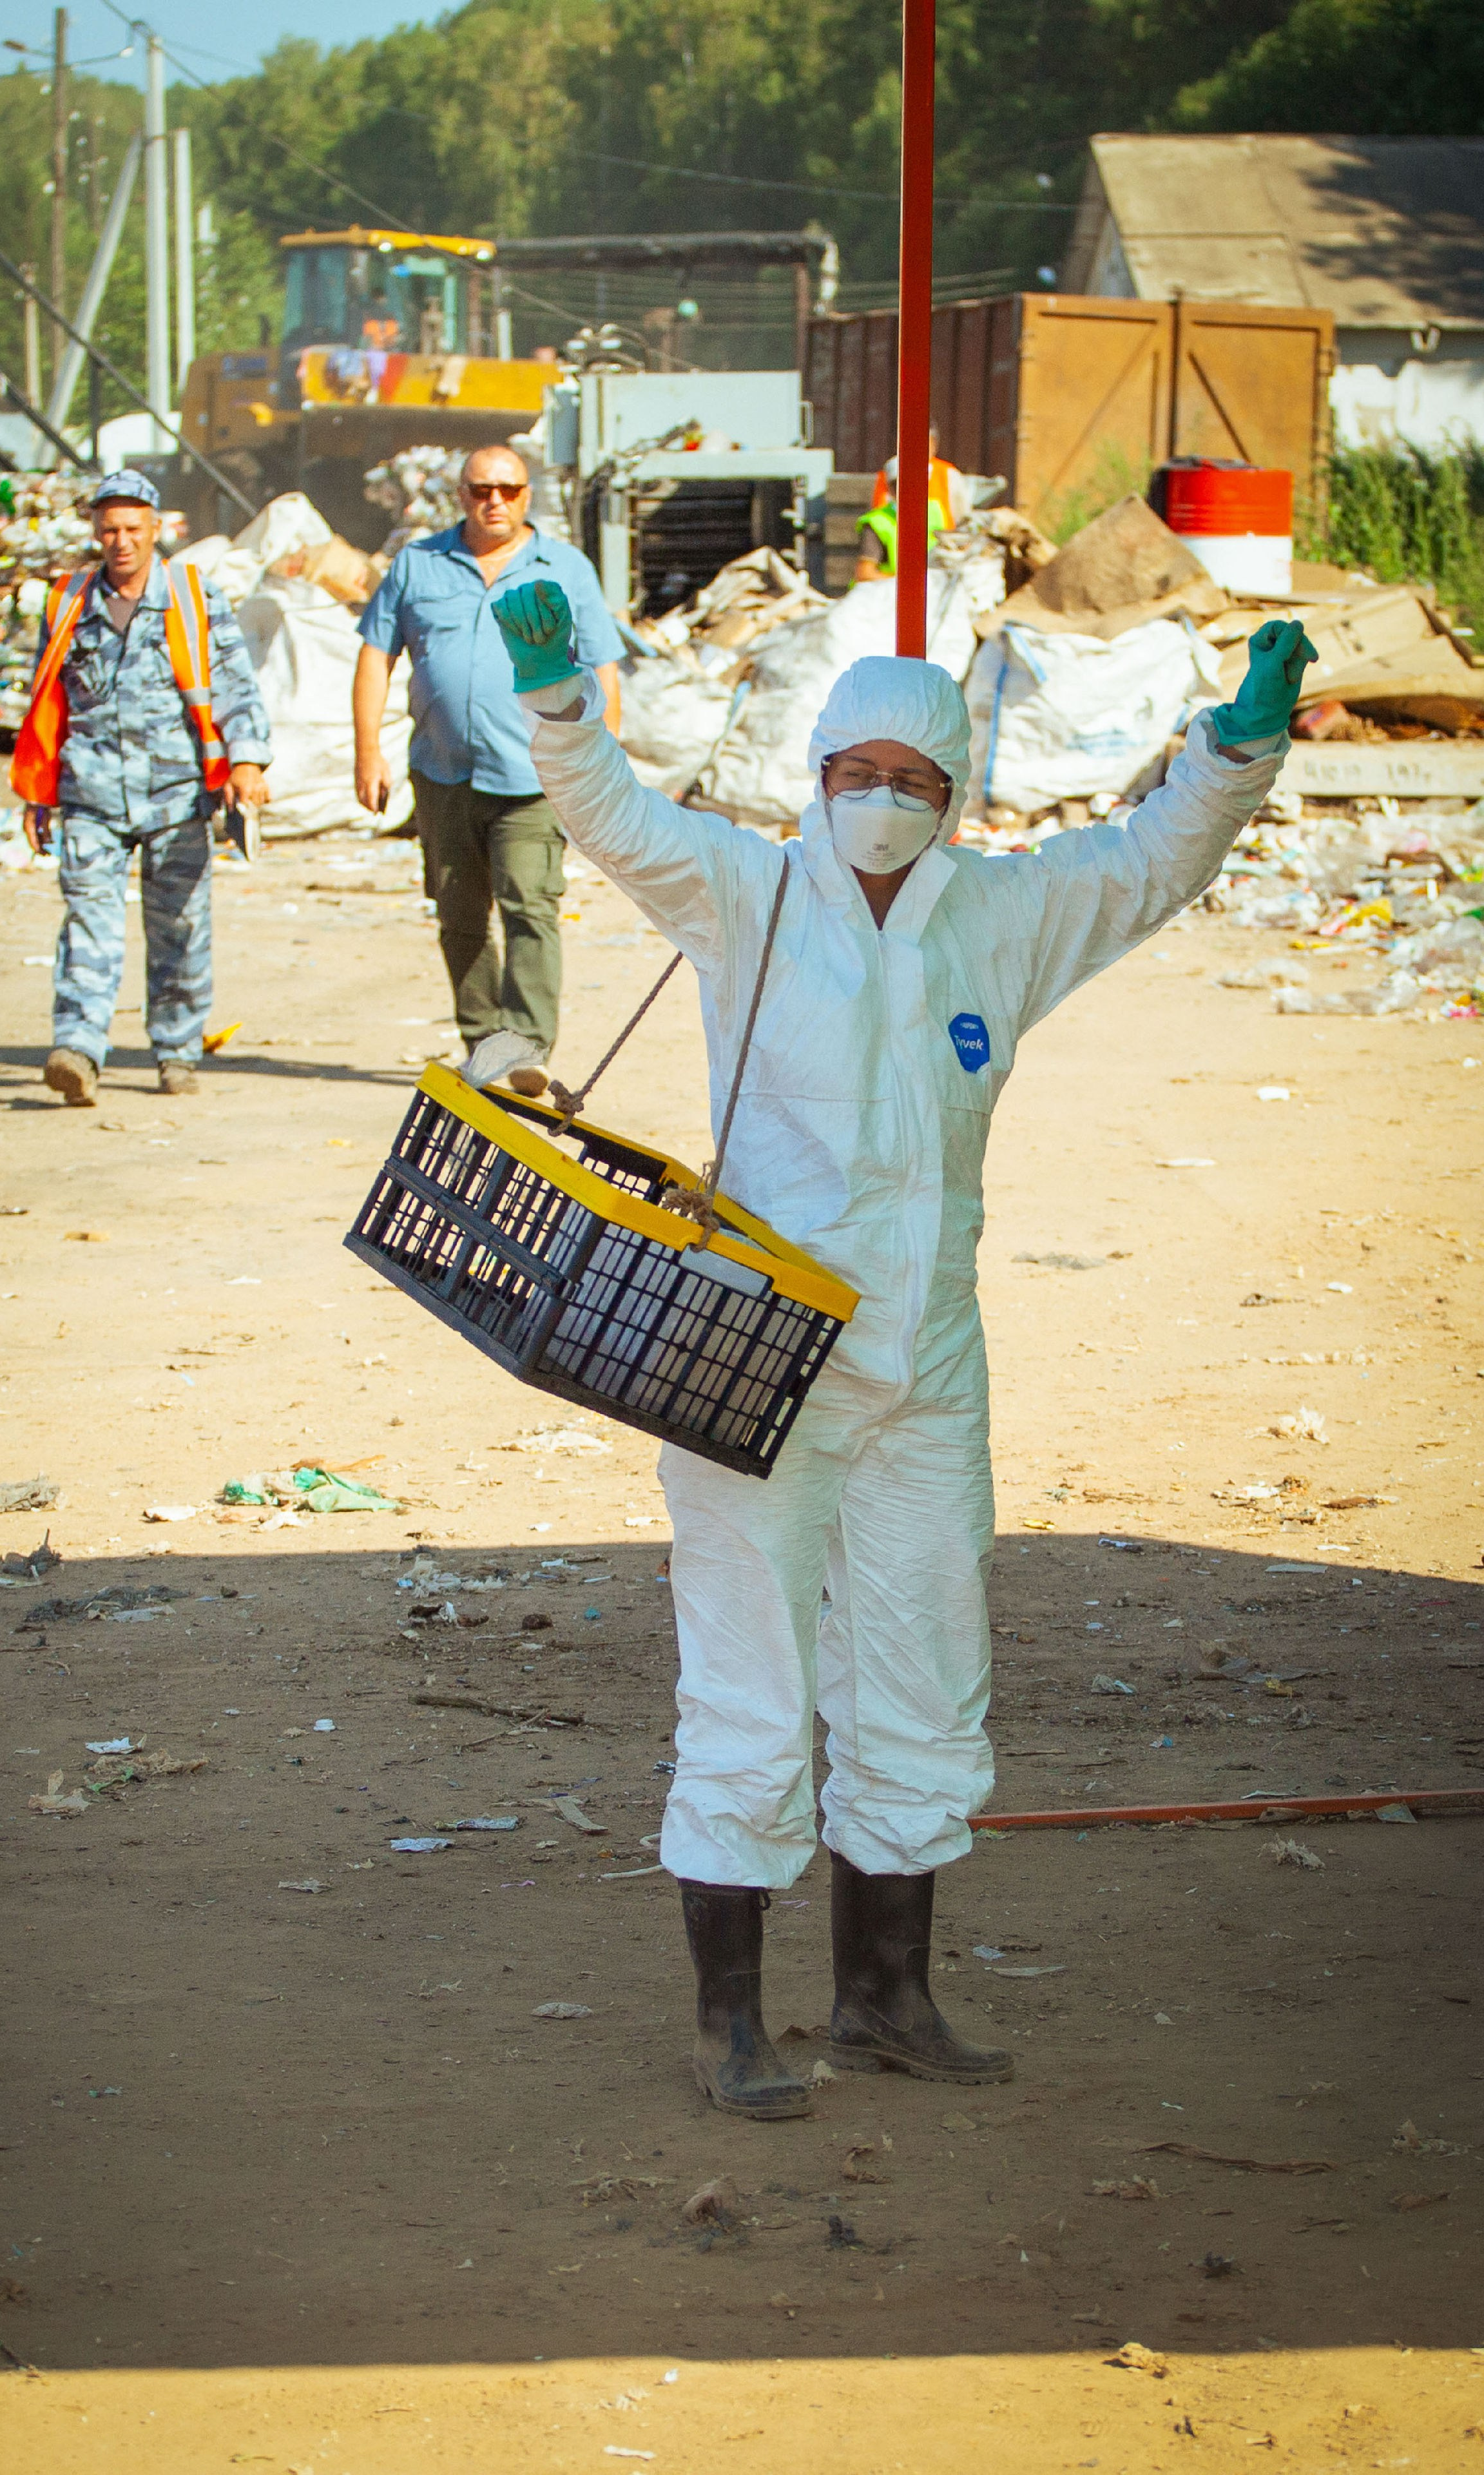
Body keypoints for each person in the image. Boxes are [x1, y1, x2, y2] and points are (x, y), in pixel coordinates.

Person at [490, 578, 1315, 2121]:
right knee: (750, 1675)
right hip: (748, 1359)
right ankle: (728, 2024)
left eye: (912, 781)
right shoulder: (743, 890)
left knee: (926, 1670)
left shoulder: (995, 918)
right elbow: (605, 812)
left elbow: (1145, 864)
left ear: (955, 794)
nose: (880, 801)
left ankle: (884, 1995)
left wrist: (1233, 752)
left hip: (927, 1362)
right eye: (854, 774)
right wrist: (555, 702)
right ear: (816, 778)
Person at [351, 442, 625, 1098]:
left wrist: (601, 763)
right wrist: (367, 749)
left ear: (528, 495)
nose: (493, 501)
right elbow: (374, 655)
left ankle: (528, 1044)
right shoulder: (418, 566)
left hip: (536, 777)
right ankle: (486, 1044)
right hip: (442, 774)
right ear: (461, 495)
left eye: (507, 489)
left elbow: (603, 670)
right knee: (460, 915)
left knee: (530, 905)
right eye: (480, 490)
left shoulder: (563, 568)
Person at [14, 471, 271, 1106]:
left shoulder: (193, 597)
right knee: (88, 924)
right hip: (90, 797)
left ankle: (177, 1051)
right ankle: (78, 1049)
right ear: (96, 533)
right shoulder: (68, 602)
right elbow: (47, 701)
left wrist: (248, 764)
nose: (120, 541)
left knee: (180, 929)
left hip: (177, 797)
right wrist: (38, 793)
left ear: (157, 529)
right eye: (109, 530)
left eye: (133, 529)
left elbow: (237, 685)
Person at [854, 429, 971, 581]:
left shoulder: (936, 509)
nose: (911, 492)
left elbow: (962, 531)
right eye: (903, 486)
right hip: (886, 594)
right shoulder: (877, 523)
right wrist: (909, 583)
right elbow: (865, 574)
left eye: (918, 484)